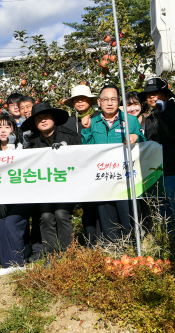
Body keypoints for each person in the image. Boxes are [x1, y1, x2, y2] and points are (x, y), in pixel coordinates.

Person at [81, 84, 146, 243]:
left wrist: (136, 137)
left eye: (113, 99)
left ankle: (132, 251)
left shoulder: (130, 120)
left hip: (126, 180)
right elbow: (86, 150)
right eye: (105, 99)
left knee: (128, 218)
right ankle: (114, 253)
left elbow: (145, 146)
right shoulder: (93, 122)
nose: (109, 103)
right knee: (107, 220)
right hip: (103, 180)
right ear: (99, 101)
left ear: (119, 101)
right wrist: (86, 130)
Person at [21, 102, 80, 260]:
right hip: (44, 189)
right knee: (46, 217)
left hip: (67, 187)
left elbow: (81, 161)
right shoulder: (32, 141)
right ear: (34, 123)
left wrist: (64, 153)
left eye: (46, 116)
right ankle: (51, 256)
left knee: (61, 214)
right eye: (38, 118)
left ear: (53, 118)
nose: (43, 120)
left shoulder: (70, 136)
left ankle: (68, 255)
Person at [139, 77, 175, 228]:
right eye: (149, 94)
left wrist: (164, 113)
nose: (152, 96)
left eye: (156, 93)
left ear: (166, 94)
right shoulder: (149, 119)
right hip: (158, 176)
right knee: (166, 221)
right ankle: (173, 250)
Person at [62, 85, 101, 244]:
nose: (79, 102)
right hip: (78, 171)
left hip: (100, 169)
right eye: (76, 99)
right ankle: (91, 242)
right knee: (87, 208)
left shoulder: (100, 117)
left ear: (90, 100)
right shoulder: (68, 123)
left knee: (102, 207)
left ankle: (104, 241)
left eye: (83, 98)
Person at [0, 116, 28, 275]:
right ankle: (7, 264)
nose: (3, 130)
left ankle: (19, 262)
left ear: (14, 130)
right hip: (0, 198)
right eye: (0, 127)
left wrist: (13, 148)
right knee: (0, 225)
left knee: (12, 224)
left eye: (7, 127)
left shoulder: (22, 148)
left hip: (20, 197)